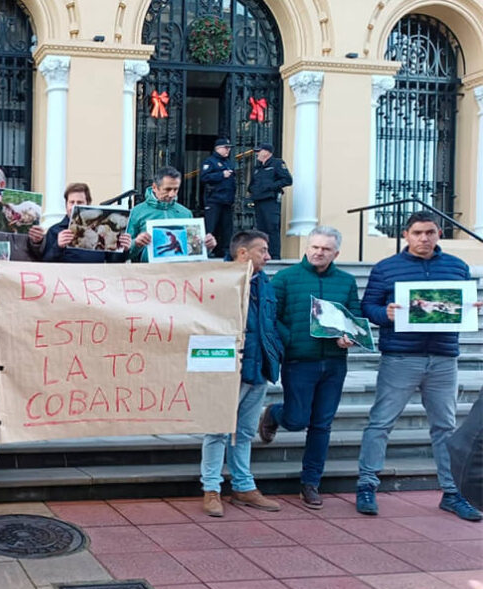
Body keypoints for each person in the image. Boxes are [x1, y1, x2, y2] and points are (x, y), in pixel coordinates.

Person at [355, 212, 483, 520]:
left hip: (443, 357)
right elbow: (367, 307)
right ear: (406, 235)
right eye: (417, 233)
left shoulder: (456, 267)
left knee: (444, 427)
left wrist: (470, 307)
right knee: (381, 422)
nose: (424, 238)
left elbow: (461, 303)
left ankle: (453, 493)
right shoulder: (386, 269)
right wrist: (383, 313)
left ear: (438, 233)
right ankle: (367, 485)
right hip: (400, 357)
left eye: (429, 232)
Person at [258, 226, 359, 509]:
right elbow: (270, 314)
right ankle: (275, 414)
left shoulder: (347, 281)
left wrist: (350, 336)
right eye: (315, 247)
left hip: (335, 363)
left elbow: (355, 316)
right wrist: (289, 339)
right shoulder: (287, 278)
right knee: (297, 419)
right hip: (299, 360)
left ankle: (310, 482)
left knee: (321, 424)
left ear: (336, 253)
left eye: (325, 249)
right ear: (307, 247)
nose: (318, 252)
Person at [200, 230, 283, 516]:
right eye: (262, 250)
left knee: (245, 432)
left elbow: (270, 324)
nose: (268, 256)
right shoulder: (218, 281)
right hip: (227, 370)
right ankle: (211, 489)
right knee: (217, 431)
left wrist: (277, 350)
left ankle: (243, 486)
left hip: (259, 369)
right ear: (243, 253)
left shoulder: (265, 283)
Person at [128, 166, 217, 262]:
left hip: (178, 272)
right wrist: (136, 243)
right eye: (167, 189)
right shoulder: (137, 212)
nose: (172, 194)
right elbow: (125, 252)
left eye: (176, 189)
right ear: (154, 187)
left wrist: (207, 247)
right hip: (149, 273)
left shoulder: (186, 213)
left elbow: (192, 250)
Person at [42, 182, 132, 263]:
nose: (75, 206)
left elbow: (113, 263)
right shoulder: (55, 230)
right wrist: (58, 246)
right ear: (66, 204)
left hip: (96, 278)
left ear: (87, 204)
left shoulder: (101, 228)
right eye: (71, 202)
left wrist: (124, 248)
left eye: (79, 202)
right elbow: (46, 263)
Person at [0, 165, 45, 262]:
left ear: (1, 185)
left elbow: (41, 253)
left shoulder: (23, 208)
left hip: (22, 271)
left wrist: (37, 241)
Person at [248, 143, 293, 260]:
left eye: (259, 151)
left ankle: (274, 255)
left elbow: (287, 180)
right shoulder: (257, 168)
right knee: (261, 229)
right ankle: (263, 254)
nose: (257, 154)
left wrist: (271, 187)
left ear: (267, 152)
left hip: (270, 201)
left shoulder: (277, 164)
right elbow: (252, 184)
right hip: (259, 201)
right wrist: (252, 190)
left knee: (272, 227)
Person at [199, 138, 237, 259]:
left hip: (227, 200)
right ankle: (208, 250)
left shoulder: (228, 162)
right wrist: (221, 175)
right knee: (211, 226)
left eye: (229, 148)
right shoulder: (210, 162)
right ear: (218, 148)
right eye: (226, 147)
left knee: (226, 227)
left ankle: (224, 250)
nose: (228, 150)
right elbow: (204, 177)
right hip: (214, 199)